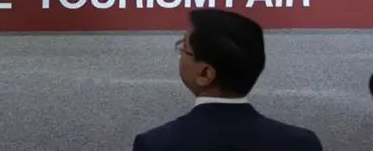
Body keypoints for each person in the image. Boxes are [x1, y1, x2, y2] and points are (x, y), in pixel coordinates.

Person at [132, 9, 322, 151]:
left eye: (184, 48)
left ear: (205, 74)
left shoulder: (155, 145)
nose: (180, 56)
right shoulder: (302, 143)